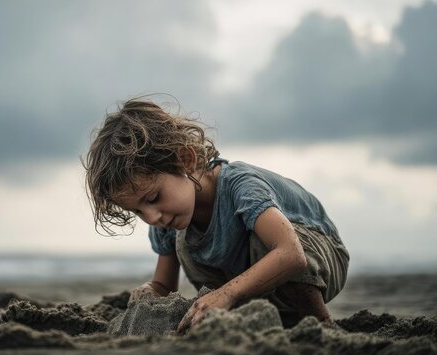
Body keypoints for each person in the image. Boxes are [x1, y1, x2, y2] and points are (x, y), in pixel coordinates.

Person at [83, 97, 350, 333]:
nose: (152, 217)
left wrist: (226, 294)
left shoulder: (239, 186)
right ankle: (256, 316)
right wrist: (151, 290)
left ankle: (321, 323)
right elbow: (164, 285)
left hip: (318, 255)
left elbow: (292, 254)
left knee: (262, 240)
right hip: (259, 285)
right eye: (138, 211)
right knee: (183, 244)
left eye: (153, 198)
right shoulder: (168, 218)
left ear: (185, 160)